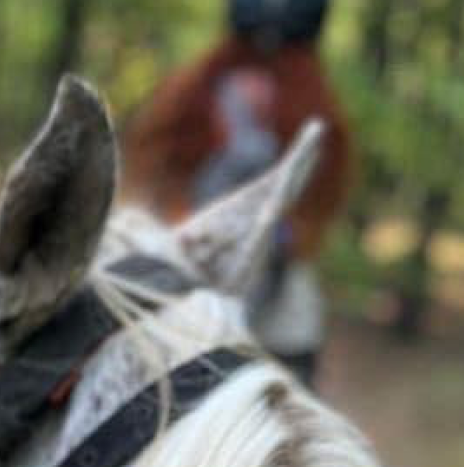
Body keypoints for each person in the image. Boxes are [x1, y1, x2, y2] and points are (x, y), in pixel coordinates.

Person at [125, 0, 352, 387]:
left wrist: (285, 235)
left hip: (273, 288)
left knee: (290, 334)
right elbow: (155, 168)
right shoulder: (194, 94)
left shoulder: (314, 110)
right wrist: (184, 222)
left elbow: (320, 200)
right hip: (187, 260)